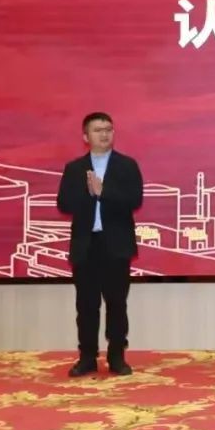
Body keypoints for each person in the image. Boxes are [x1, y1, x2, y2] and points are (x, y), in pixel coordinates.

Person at [57, 112, 144, 377]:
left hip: (116, 245)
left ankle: (117, 356)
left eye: (108, 129)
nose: (104, 134)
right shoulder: (75, 168)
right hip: (86, 244)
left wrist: (103, 192)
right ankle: (87, 357)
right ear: (86, 136)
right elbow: (63, 203)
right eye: (98, 130)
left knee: (117, 303)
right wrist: (89, 193)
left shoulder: (127, 165)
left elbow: (135, 199)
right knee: (86, 305)